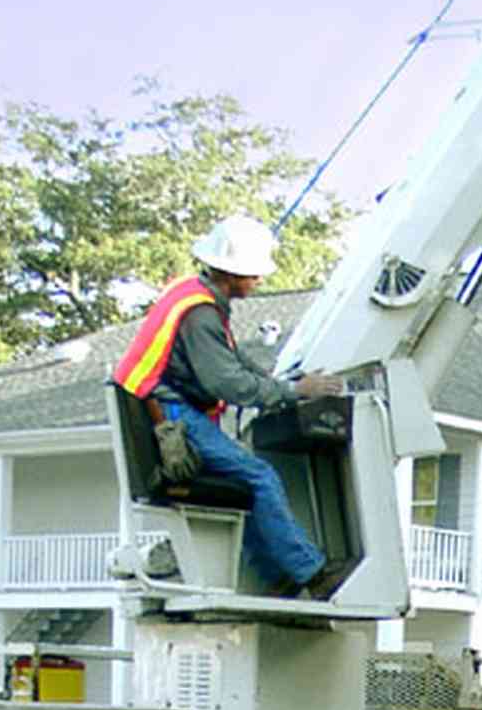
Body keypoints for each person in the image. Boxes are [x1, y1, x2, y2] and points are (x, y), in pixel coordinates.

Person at [113, 214, 345, 599]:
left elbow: (232, 360)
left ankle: (278, 574)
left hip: (164, 404)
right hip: (172, 412)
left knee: (247, 481)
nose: (258, 281)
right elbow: (227, 382)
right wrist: (294, 391)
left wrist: (281, 382)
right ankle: (311, 573)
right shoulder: (201, 314)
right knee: (260, 477)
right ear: (230, 273)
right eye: (253, 274)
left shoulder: (192, 294)